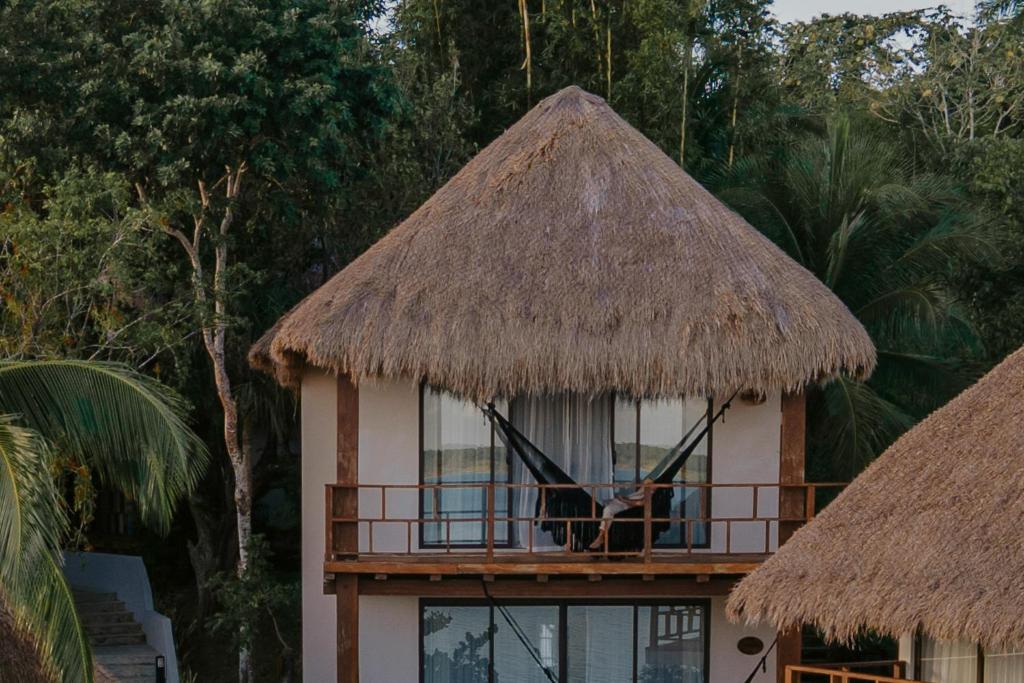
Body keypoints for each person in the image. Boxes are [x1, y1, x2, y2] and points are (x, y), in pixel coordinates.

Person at [587, 480, 651, 551]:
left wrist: (623, 500)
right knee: (603, 505)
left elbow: (639, 503)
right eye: (644, 483)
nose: (644, 485)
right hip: (621, 502)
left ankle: (601, 536)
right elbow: (632, 498)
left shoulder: (649, 493)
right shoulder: (642, 490)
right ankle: (600, 536)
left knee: (608, 510)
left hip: (624, 505)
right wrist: (622, 498)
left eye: (647, 483)